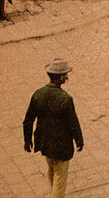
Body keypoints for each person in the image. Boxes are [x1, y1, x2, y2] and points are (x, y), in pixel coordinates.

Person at [23, 58, 84, 198]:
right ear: (61, 77)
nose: (67, 77)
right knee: (60, 178)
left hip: (44, 143)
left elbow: (28, 120)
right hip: (61, 147)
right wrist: (79, 141)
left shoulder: (38, 94)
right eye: (66, 75)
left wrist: (27, 140)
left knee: (51, 170)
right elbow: (73, 123)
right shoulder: (65, 99)